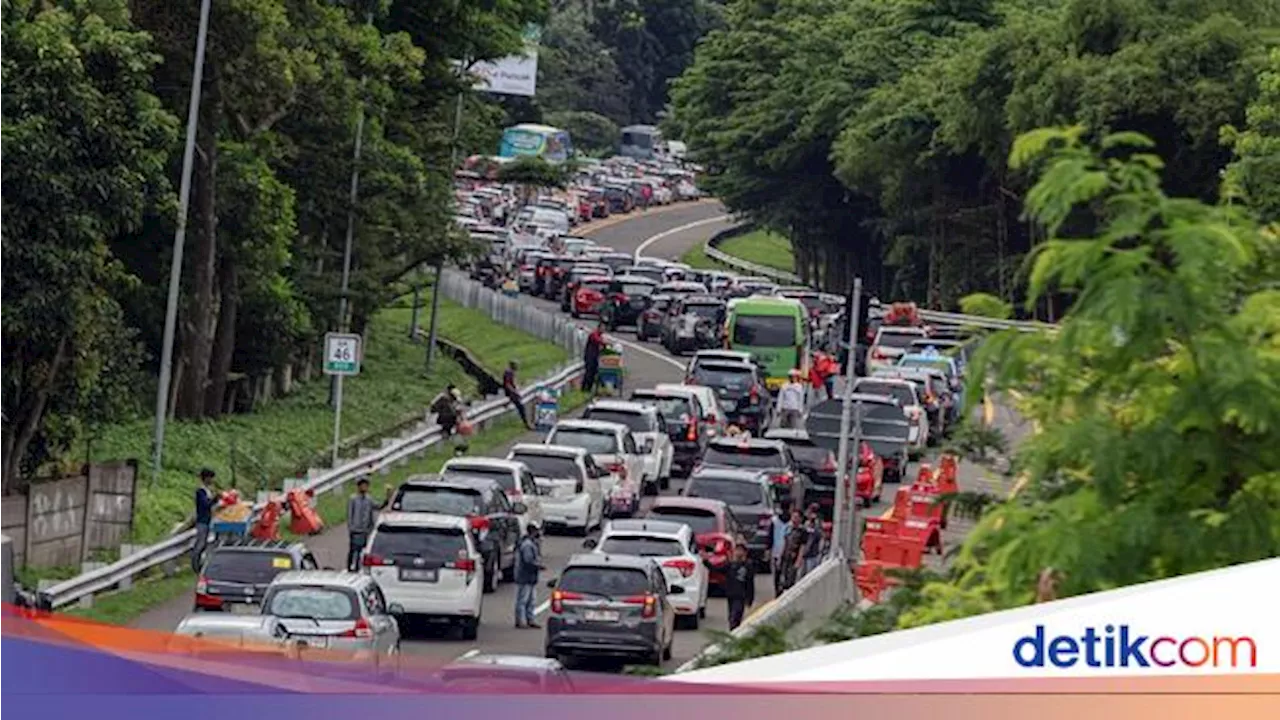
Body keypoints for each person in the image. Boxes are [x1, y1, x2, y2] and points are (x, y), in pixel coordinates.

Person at [346, 478, 390, 571]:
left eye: (366, 485)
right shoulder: (353, 498)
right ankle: (350, 566)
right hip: (355, 529)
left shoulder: (369, 499)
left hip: (366, 529)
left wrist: (387, 498)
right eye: (362, 485)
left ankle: (358, 566)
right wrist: (351, 527)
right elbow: (350, 514)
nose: (364, 487)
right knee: (354, 549)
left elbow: (378, 506)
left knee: (363, 549)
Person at [514, 522, 545, 629]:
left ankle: (529, 619)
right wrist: (538, 566)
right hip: (525, 576)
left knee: (531, 600)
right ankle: (521, 621)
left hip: (530, 577)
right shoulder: (527, 544)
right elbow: (528, 560)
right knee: (523, 600)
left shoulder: (532, 543)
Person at [724, 543, 756, 630]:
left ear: (745, 553)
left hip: (741, 596)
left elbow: (750, 583)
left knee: (735, 616)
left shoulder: (748, 566)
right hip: (731, 595)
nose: (738, 552)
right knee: (731, 617)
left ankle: (735, 631)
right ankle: (733, 633)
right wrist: (706, 561)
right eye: (737, 550)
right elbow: (718, 570)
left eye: (740, 550)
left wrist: (750, 599)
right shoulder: (730, 565)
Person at [191, 469, 217, 573]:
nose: (212, 480)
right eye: (210, 478)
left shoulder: (208, 490)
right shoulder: (200, 491)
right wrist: (214, 500)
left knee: (204, 543)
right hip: (202, 520)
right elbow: (205, 504)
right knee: (200, 544)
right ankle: (195, 566)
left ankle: (199, 564)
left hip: (207, 520)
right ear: (206, 478)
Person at [778, 509, 808, 593]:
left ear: (800, 519)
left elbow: (802, 546)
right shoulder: (788, 529)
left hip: (794, 557)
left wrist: (799, 560)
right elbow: (785, 542)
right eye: (793, 517)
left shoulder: (802, 531)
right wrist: (780, 555)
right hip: (785, 556)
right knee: (782, 576)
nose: (794, 519)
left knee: (791, 578)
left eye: (796, 517)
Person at [503, 360, 534, 430]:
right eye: (516, 365)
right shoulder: (508, 373)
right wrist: (514, 392)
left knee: (521, 407)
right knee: (521, 407)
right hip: (510, 393)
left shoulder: (511, 372)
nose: (518, 367)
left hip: (512, 393)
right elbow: (508, 384)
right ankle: (526, 424)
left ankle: (527, 423)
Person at [769, 507, 790, 597]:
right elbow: (770, 536)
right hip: (777, 550)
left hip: (784, 551)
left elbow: (769, 537)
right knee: (778, 571)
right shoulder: (775, 521)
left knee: (782, 571)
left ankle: (781, 589)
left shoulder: (790, 523)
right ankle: (778, 590)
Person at [801, 504, 824, 576]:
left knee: (811, 573)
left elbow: (819, 535)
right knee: (803, 573)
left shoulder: (818, 522)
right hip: (804, 552)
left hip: (814, 552)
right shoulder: (806, 523)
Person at [582, 324, 605, 394]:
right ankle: (584, 388)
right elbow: (597, 340)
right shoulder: (594, 334)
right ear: (598, 328)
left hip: (595, 356)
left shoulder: (600, 336)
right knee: (589, 373)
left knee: (594, 372)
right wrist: (605, 343)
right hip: (590, 356)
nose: (603, 330)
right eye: (602, 329)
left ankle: (589, 388)